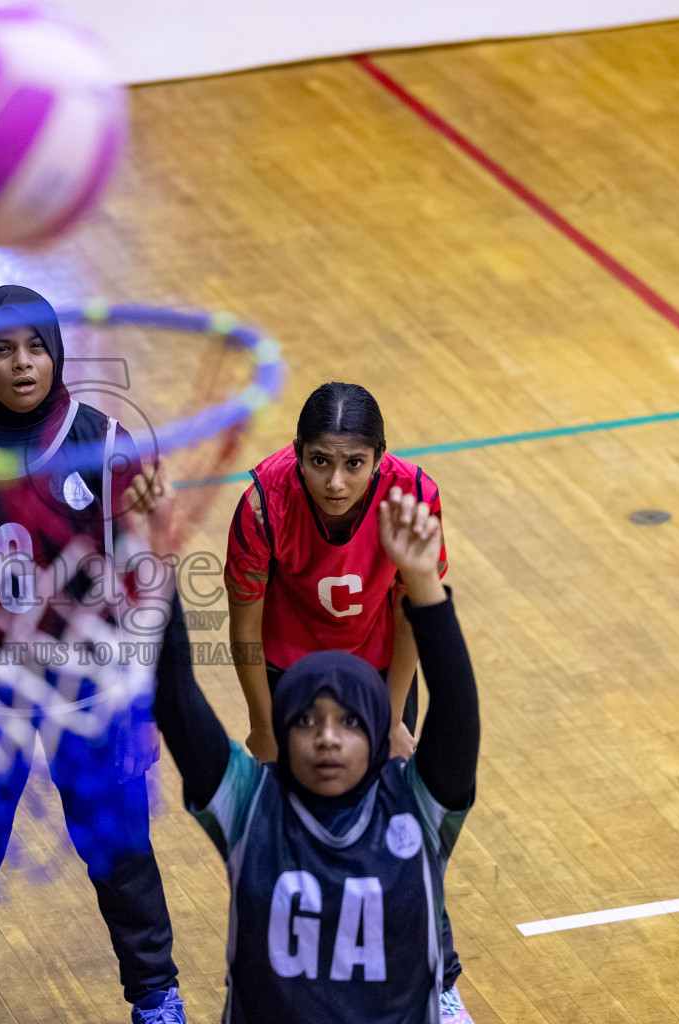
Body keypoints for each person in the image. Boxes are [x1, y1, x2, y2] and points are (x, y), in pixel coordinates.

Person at [0, 285, 184, 1024]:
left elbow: (143, 588)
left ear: (57, 354)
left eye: (36, 347)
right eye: (3, 350)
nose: (22, 364)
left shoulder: (103, 443)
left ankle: (157, 998)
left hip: (88, 691)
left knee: (121, 854)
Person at [134, 470, 479, 1023]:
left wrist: (421, 580)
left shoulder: (416, 803)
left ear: (379, 731)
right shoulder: (250, 804)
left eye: (349, 722)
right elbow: (176, 699)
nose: (327, 738)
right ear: (280, 733)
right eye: (305, 721)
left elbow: (457, 711)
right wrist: (156, 559)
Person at [224, 381, 472, 1021]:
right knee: (288, 833)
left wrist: (391, 717)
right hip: (291, 678)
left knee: (404, 834)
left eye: (354, 463)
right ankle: (289, 972)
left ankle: (440, 977)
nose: (336, 482)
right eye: (320, 462)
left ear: (380, 458)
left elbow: (414, 611)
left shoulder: (412, 496)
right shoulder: (262, 503)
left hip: (378, 672)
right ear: (298, 453)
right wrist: (263, 725)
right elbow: (244, 626)